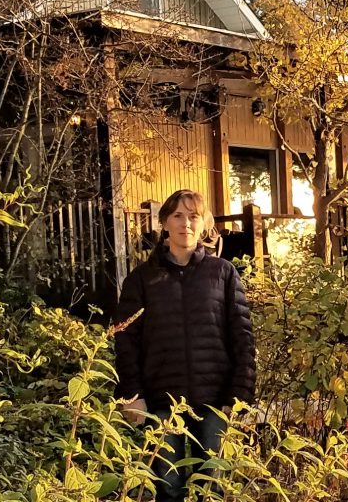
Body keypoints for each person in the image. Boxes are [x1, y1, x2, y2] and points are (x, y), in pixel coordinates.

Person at [113, 189, 256, 501]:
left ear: (203, 223)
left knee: (213, 488)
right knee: (168, 489)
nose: (186, 223)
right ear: (165, 222)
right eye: (178, 215)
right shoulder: (141, 280)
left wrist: (239, 396)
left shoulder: (223, 274)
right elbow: (125, 341)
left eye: (193, 216)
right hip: (161, 403)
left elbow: (243, 338)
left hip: (216, 402)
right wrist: (132, 396)